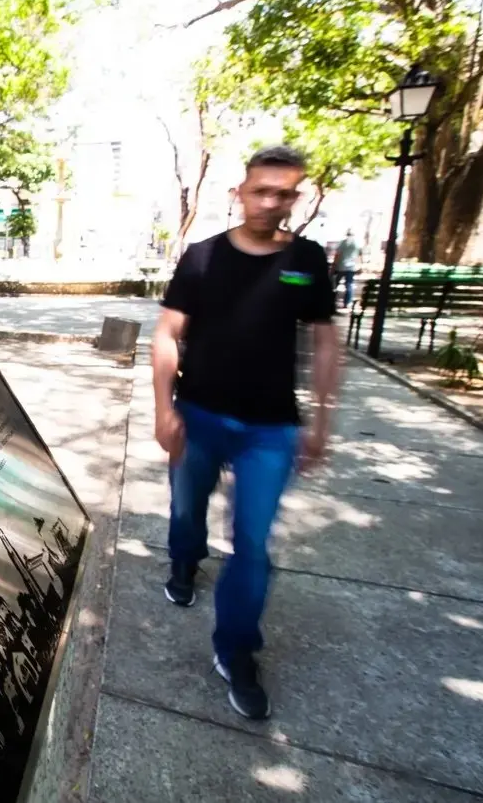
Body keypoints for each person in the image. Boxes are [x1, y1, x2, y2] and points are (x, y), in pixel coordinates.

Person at [152, 145, 340, 721]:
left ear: (296, 196)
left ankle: (236, 650)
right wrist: (165, 409)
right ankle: (184, 560)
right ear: (240, 191)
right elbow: (167, 333)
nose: (271, 202)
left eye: (284, 193)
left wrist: (322, 419)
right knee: (187, 512)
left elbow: (327, 340)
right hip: (201, 416)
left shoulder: (306, 259)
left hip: (271, 428)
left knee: (253, 545)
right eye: (261, 190)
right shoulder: (203, 257)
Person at [332, 232, 360, 308]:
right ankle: (346, 303)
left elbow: (337, 255)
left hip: (341, 267)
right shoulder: (356, 244)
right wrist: (358, 266)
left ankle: (332, 301)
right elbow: (358, 256)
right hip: (351, 268)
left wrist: (334, 265)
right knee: (349, 286)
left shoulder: (342, 243)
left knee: (335, 285)